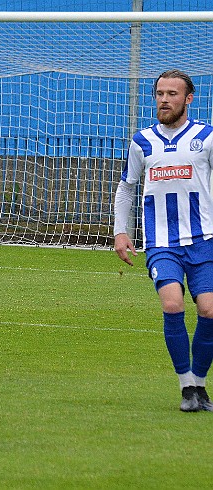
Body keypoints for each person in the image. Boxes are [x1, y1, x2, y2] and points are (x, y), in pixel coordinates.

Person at [114, 69, 213, 412]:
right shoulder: (142, 141)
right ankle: (187, 387)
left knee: (209, 310)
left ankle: (200, 385)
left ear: (188, 99)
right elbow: (126, 187)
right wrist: (120, 231)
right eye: (160, 93)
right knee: (172, 304)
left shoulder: (207, 136)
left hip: (204, 240)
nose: (164, 99)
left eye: (172, 94)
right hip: (162, 243)